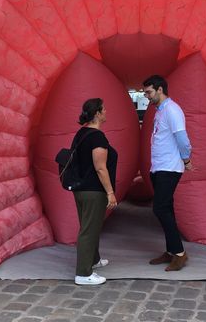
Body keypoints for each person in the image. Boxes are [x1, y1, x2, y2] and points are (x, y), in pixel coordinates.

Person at [143, 75, 192, 272]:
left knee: (160, 208)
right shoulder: (160, 111)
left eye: (149, 92)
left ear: (160, 89)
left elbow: (182, 137)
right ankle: (171, 251)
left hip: (169, 167)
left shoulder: (172, 110)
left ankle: (179, 253)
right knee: (167, 208)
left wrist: (186, 159)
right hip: (159, 167)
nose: (147, 96)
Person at [71, 98, 118, 285]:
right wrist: (110, 192)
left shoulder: (81, 133)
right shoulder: (97, 137)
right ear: (97, 113)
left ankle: (94, 260)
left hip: (81, 189)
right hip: (93, 190)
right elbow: (100, 168)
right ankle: (83, 273)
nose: (106, 112)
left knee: (92, 226)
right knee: (89, 230)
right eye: (104, 109)